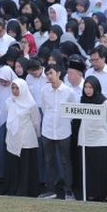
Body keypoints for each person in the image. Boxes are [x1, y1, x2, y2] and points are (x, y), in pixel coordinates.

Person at [39, 64, 79, 200]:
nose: (49, 76)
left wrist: (63, 121)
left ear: (58, 73)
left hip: (63, 130)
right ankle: (51, 190)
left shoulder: (69, 91)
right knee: (49, 160)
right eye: (47, 74)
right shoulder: (44, 90)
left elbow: (73, 111)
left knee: (65, 161)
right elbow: (44, 108)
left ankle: (68, 190)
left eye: (51, 73)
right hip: (48, 129)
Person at [76, 76, 107, 201]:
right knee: (88, 168)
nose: (88, 90)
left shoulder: (104, 101)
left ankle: (103, 193)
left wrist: (101, 127)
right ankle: (90, 192)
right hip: (85, 138)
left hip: (99, 139)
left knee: (101, 168)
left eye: (90, 87)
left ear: (96, 88)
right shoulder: (82, 100)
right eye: (86, 87)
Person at [5, 78, 41, 197]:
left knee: (26, 167)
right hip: (12, 138)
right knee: (14, 165)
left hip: (27, 139)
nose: (15, 91)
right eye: (13, 88)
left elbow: (36, 121)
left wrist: (37, 135)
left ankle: (25, 190)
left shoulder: (31, 104)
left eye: (17, 88)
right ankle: (13, 189)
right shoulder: (9, 101)